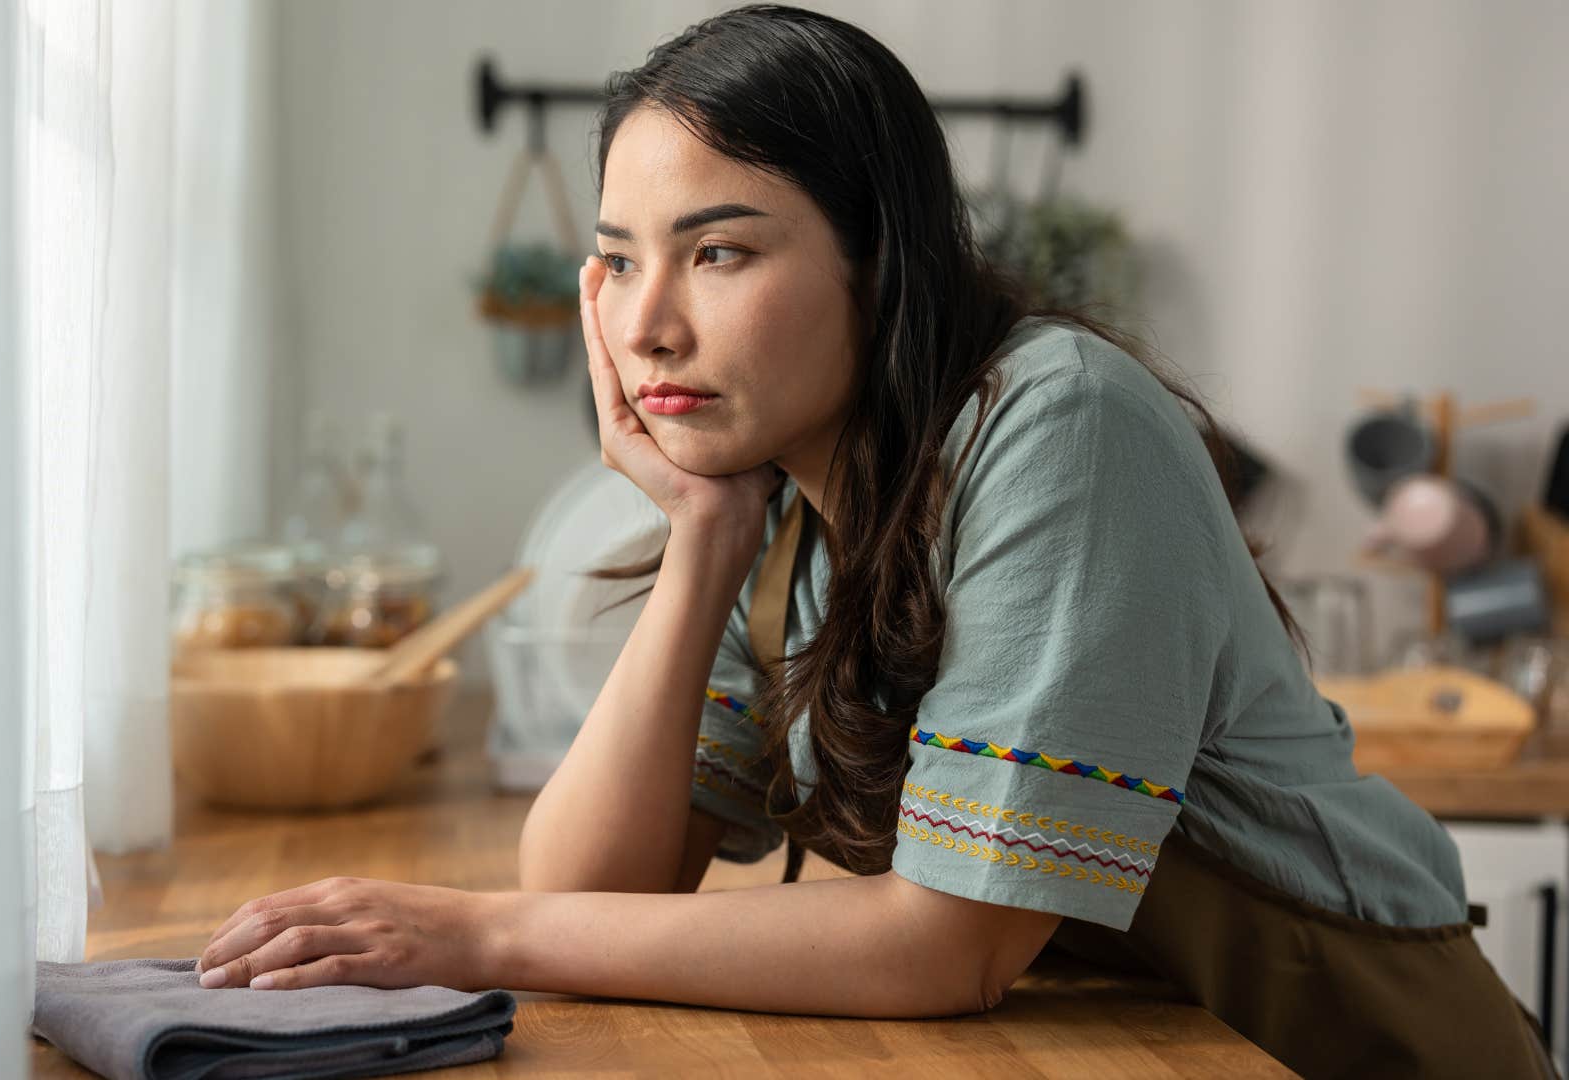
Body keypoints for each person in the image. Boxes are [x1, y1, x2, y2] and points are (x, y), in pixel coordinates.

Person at [190, 6, 1554, 1075]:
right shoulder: (783, 497)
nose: (648, 322)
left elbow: (948, 941)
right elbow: (598, 885)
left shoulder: (1057, 422)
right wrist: (706, 538)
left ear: (881, 260)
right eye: (621, 258)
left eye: (719, 252)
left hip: (1344, 1052)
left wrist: (466, 928)